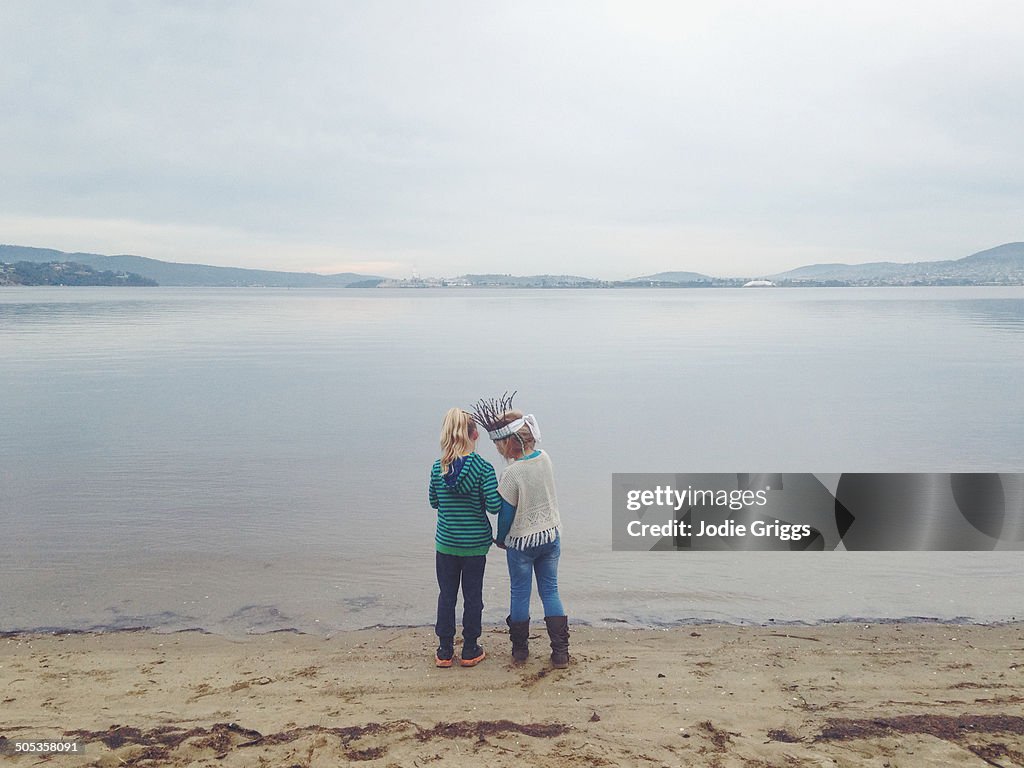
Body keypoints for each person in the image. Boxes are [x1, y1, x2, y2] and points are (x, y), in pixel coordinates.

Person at [471, 394, 569, 668]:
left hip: (522, 543)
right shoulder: (545, 459)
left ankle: (520, 651)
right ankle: (560, 652)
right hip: (550, 535)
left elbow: (506, 514)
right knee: (550, 590)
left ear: (509, 444)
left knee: (519, 593)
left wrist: (501, 539)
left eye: (499, 445)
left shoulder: (512, 474)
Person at [428, 407, 501, 668]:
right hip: (474, 546)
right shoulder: (483, 469)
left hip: (446, 543)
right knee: (473, 596)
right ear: (475, 434)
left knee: (446, 595)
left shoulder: (438, 468)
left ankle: (445, 650)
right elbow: (494, 506)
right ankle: (470, 648)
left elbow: (433, 502)